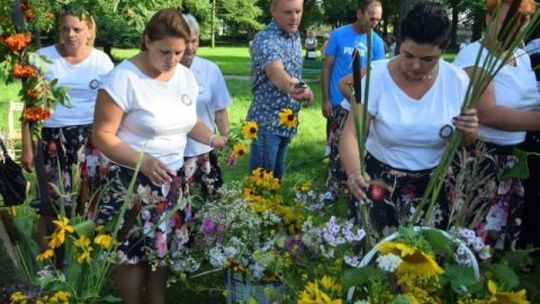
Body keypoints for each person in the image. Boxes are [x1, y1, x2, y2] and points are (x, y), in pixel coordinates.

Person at [92, 8, 227, 304]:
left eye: (180, 52)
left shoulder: (184, 76)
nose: (173, 60)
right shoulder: (122, 79)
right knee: (131, 254)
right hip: (130, 180)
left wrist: (213, 138)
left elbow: (190, 121)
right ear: (147, 41)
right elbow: (101, 135)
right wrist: (143, 161)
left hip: (170, 180)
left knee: (160, 250)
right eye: (165, 51)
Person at [339, 1, 478, 235]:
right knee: (376, 259)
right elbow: (351, 134)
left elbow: (465, 141)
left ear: (443, 51)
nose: (415, 66)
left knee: (425, 260)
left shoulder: (457, 81)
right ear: (399, 44)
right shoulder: (375, 76)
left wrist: (470, 130)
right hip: (379, 184)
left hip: (434, 188)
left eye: (428, 60)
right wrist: (354, 173)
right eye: (408, 55)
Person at [20, 7, 114, 250]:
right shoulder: (42, 57)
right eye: (65, 28)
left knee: (88, 200)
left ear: (89, 31)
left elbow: (113, 106)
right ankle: (48, 266)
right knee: (49, 205)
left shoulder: (101, 61)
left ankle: (83, 262)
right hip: (52, 136)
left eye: (77, 29)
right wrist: (28, 149)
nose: (71, 34)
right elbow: (29, 106)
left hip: (91, 139)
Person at [453, 0, 539, 250]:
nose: (515, 28)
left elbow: (526, 103)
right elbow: (487, 112)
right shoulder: (473, 55)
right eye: (506, 22)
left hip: (513, 159)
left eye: (522, 22)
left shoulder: (520, 56)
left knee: (502, 237)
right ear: (489, 20)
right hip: (483, 158)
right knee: (476, 235)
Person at [320, 0, 385, 203]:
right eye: (371, 17)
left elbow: (378, 75)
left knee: (357, 150)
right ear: (359, 13)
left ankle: (353, 188)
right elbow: (327, 68)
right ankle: (331, 191)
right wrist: (326, 99)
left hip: (360, 106)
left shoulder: (376, 43)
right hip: (338, 103)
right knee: (334, 148)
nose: (374, 23)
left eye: (378, 19)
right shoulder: (339, 35)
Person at [246, 0, 314, 179]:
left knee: (275, 184)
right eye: (287, 12)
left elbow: (291, 71)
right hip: (267, 125)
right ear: (273, 10)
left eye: (298, 11)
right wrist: (299, 88)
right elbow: (276, 72)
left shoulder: (295, 36)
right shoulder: (266, 39)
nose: (294, 18)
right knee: (260, 189)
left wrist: (300, 87)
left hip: (286, 123)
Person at [180, 14, 233, 201]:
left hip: (204, 150)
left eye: (194, 40)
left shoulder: (210, 70)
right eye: (185, 41)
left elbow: (220, 111)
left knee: (209, 205)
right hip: (173, 153)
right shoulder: (162, 71)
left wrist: (228, 143)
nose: (190, 47)